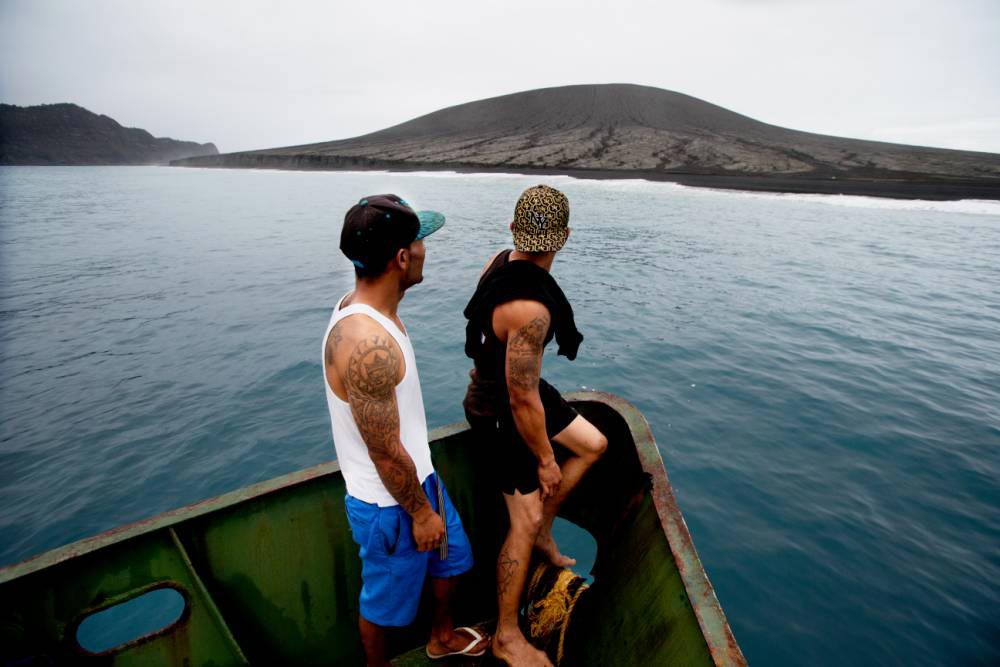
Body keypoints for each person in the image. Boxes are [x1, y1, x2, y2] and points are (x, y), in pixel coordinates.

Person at [323, 195, 488, 666]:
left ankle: (440, 637)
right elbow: (384, 451)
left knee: (453, 558)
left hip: (419, 480)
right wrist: (420, 514)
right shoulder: (366, 344)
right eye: (420, 243)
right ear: (401, 258)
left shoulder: (369, 304)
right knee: (383, 607)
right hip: (389, 502)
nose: (425, 251)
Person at [463, 185, 608, 667]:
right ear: (563, 237)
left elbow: (496, 347)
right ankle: (506, 636)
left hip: (511, 388)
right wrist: (546, 461)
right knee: (519, 520)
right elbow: (522, 399)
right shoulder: (531, 312)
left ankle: (544, 530)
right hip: (501, 410)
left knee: (593, 444)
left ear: (513, 230)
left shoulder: (498, 260)